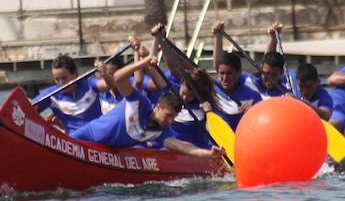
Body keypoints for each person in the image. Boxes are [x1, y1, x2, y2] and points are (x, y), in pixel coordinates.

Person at [72, 39, 226, 160]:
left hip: (105, 151)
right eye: (169, 115)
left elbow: (183, 147)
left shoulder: (158, 133)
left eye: (174, 117)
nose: (171, 121)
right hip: (85, 138)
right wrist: (142, 63)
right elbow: (119, 78)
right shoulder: (139, 102)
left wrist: (209, 154)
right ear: (158, 107)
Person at [33, 54, 114, 136]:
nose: (61, 83)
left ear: (75, 74)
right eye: (57, 79)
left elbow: (109, 85)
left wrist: (104, 73)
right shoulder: (51, 94)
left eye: (64, 78)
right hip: (75, 141)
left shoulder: (89, 84)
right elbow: (31, 106)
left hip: (98, 137)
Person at [211, 20, 262, 131]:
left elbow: (263, 124)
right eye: (222, 73)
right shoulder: (211, 89)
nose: (224, 78)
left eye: (229, 74)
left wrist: (253, 114)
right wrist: (218, 37)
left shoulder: (253, 96)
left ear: (239, 72)